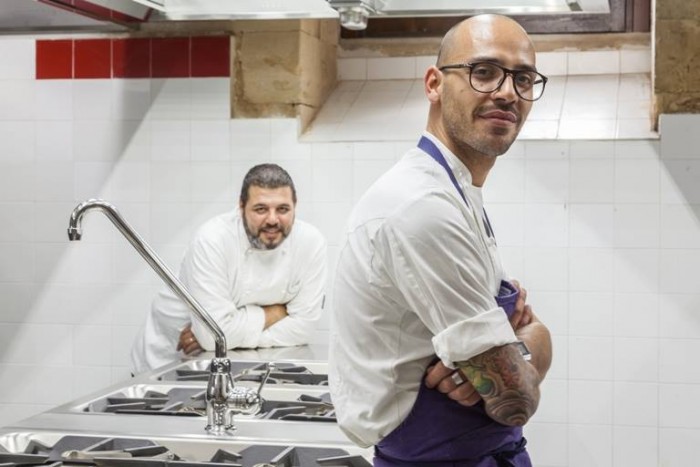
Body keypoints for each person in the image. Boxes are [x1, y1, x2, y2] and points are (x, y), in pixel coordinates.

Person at [329, 14, 553, 466]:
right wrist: (523, 350)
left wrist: (525, 346)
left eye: (523, 79)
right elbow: (516, 398)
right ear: (434, 84)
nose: (508, 92)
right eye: (484, 72)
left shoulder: (457, 193)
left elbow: (525, 351)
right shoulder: (420, 206)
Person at [131, 163, 327, 374]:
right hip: (169, 362)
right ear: (241, 207)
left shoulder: (310, 243)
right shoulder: (212, 240)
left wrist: (224, 337)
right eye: (260, 209)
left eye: (283, 209)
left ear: (295, 206)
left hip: (236, 362)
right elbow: (212, 338)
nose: (272, 220)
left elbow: (304, 329)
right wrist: (279, 312)